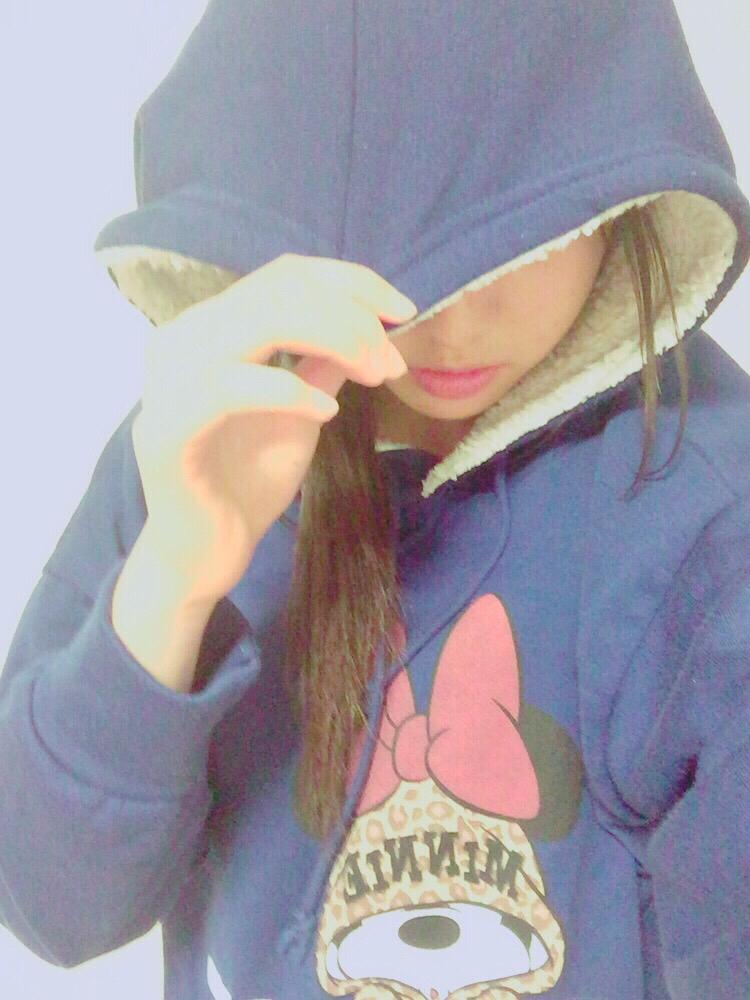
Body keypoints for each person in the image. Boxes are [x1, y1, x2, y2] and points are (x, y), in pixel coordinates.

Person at [1, 2, 749, 998]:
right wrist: (172, 579)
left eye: (528, 237)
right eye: (390, 244)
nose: (456, 321)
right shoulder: (204, 444)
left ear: (620, 197)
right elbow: (51, 903)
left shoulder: (699, 495)